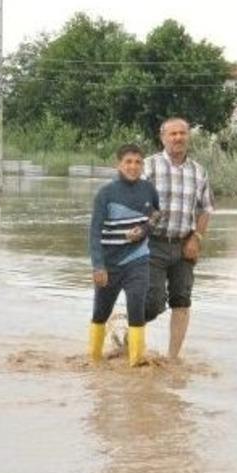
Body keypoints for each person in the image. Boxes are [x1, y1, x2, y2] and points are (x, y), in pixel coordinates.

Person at [143, 117, 214, 359]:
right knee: (153, 302)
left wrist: (197, 238)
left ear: (188, 137)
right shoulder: (148, 166)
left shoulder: (199, 171)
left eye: (182, 133)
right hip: (152, 244)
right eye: (173, 134)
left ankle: (173, 359)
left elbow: (206, 209)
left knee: (182, 300)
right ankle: (130, 334)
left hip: (184, 245)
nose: (178, 138)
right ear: (162, 138)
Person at [88, 143, 160, 366]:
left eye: (138, 162)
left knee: (136, 306)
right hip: (110, 264)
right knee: (101, 312)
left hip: (138, 260)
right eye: (128, 162)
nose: (133, 166)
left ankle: (136, 363)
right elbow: (94, 232)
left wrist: (144, 230)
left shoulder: (148, 189)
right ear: (118, 164)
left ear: (142, 165)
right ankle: (94, 361)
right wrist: (98, 266)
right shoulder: (106, 194)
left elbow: (156, 215)